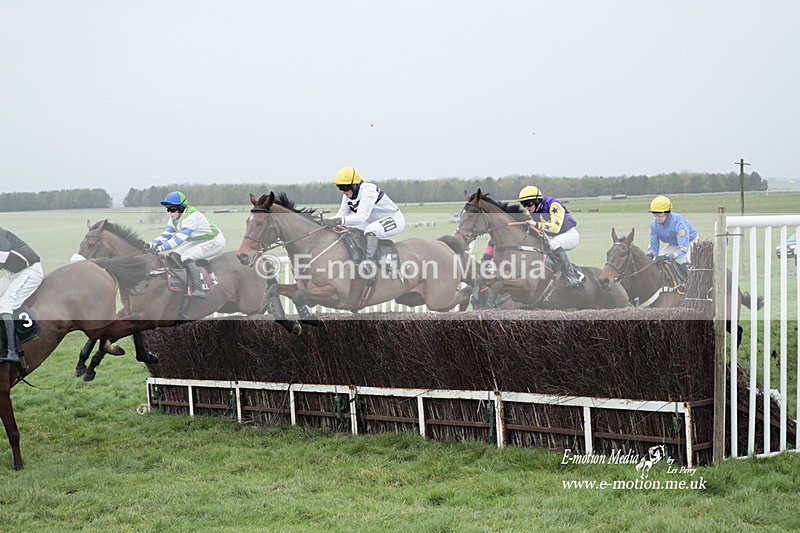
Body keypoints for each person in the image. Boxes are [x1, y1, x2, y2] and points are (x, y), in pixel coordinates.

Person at [322, 166, 405, 277]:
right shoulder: (347, 196)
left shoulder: (368, 190)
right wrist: (323, 222)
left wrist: (337, 221)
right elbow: (341, 215)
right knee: (350, 230)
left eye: (345, 187)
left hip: (394, 219)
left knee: (371, 230)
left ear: (355, 185)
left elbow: (361, 217)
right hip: (371, 221)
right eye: (340, 188)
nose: (343, 191)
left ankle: (369, 263)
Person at [144, 191, 226, 298]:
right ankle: (184, 283)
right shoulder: (174, 218)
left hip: (215, 241)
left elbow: (178, 240)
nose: (169, 212)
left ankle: (198, 288)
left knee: (187, 256)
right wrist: (150, 244)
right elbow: (166, 235)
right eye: (168, 208)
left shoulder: (192, 217)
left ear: (181, 207)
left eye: (172, 209)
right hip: (200, 241)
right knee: (174, 255)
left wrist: (160, 248)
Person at [518, 185, 583, 286]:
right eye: (523, 204)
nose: (527, 207)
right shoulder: (531, 210)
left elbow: (555, 228)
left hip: (569, 235)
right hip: (554, 237)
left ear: (537, 200)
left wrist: (536, 224)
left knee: (553, 244)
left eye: (528, 203)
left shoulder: (553, 205)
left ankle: (571, 276)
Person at [0, 228, 44, 364]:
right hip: (14, 274)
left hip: (30, 272)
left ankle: (12, 352)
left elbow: (4, 253)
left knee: (5, 304)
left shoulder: (1, 235)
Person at [647, 195, 698, 284]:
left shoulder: (678, 223)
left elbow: (683, 249)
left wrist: (669, 256)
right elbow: (653, 246)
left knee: (686, 264)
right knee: (656, 262)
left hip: (690, 242)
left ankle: (690, 286)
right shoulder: (653, 225)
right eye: (655, 214)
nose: (657, 218)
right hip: (674, 243)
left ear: (667, 212)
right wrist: (650, 255)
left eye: (660, 214)